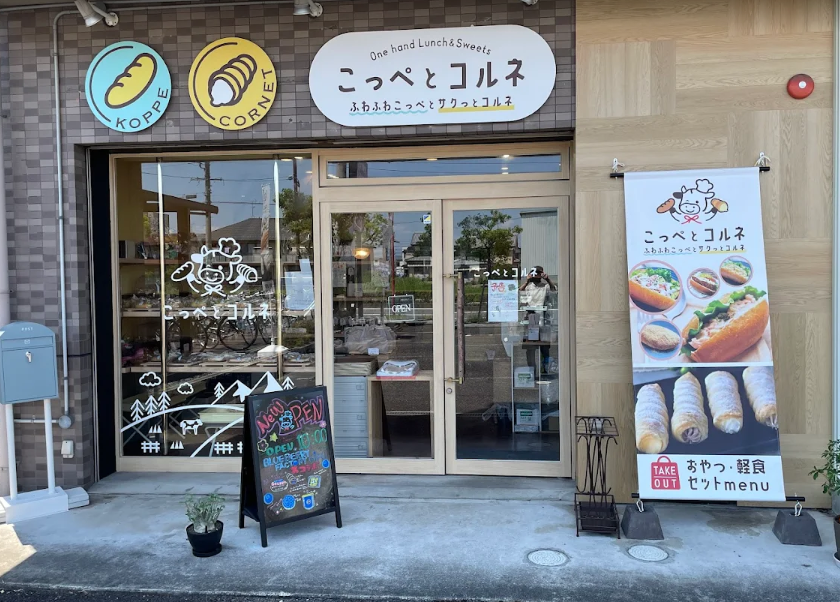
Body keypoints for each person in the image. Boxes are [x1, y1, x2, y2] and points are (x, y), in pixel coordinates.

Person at [520, 266, 555, 375]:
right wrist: (527, 281)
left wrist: (548, 279)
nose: (536, 275)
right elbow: (520, 292)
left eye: (538, 273)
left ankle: (545, 369)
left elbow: (554, 290)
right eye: (534, 273)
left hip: (543, 317)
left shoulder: (545, 286)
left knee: (544, 345)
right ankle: (532, 369)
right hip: (531, 316)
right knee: (530, 346)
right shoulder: (528, 286)